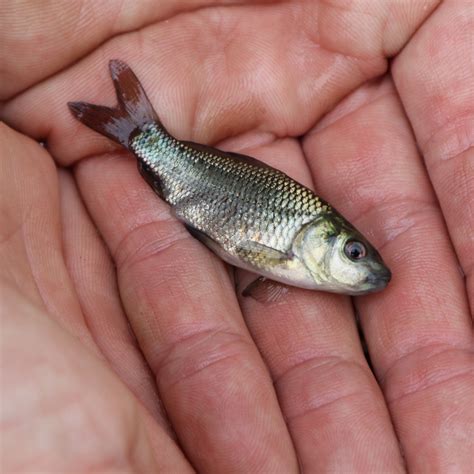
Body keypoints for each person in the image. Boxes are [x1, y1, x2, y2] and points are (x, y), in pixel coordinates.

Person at [0, 1, 472, 471]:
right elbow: (249, 254)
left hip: (208, 193)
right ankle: (139, 135)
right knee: (154, 149)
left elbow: (248, 258)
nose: (363, 264)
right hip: (197, 181)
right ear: (321, 236)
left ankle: (138, 135)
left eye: (358, 252)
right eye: (354, 251)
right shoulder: (293, 254)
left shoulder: (297, 260)